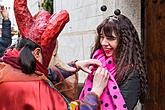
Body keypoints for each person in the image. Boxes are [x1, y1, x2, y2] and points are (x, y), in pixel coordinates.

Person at [0, 0, 109, 109]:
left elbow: (45, 74)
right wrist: (95, 93)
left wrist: (75, 65)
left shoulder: (7, 67)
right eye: (52, 56)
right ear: (37, 53)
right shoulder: (37, 88)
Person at [79, 9, 147, 110]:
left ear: (124, 42)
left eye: (110, 38)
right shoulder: (97, 61)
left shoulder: (131, 74)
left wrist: (96, 91)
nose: (103, 43)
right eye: (102, 37)